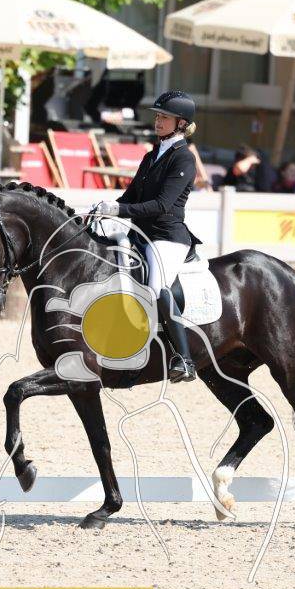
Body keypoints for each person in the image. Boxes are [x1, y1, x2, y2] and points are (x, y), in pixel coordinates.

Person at [91, 90, 201, 382]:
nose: (158, 121)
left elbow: (162, 205)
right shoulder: (152, 155)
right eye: (157, 116)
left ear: (181, 123)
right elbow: (130, 197)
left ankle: (184, 359)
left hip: (166, 237)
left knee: (155, 287)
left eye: (164, 117)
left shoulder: (184, 159)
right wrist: (106, 208)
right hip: (139, 233)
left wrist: (119, 209)